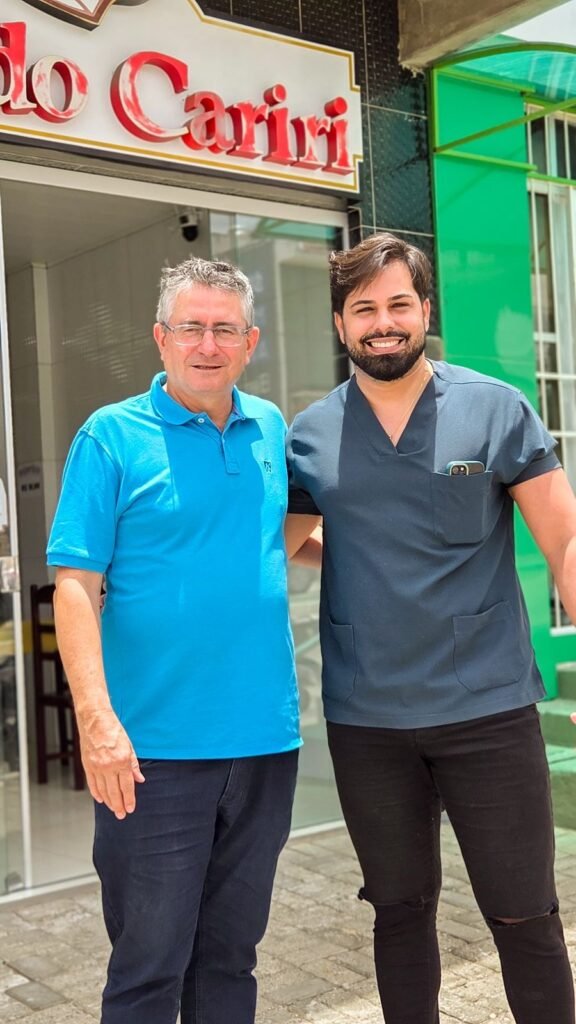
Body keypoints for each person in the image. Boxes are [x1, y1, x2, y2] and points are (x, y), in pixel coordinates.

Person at [285, 232, 576, 1024]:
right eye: (364, 309)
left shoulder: (495, 409)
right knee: (399, 909)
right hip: (369, 718)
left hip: (487, 708)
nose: (383, 323)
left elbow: (563, 543)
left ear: (425, 311)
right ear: (341, 324)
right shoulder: (309, 435)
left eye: (398, 305)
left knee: (524, 912)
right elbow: (278, 545)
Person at [48, 257, 302, 1024]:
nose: (208, 344)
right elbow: (74, 586)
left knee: (231, 960)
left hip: (264, 745)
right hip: (152, 754)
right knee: (148, 970)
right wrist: (97, 722)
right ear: (161, 338)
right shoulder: (111, 437)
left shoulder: (270, 427)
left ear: (251, 341)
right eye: (191, 327)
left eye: (225, 329)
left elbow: (275, 535)